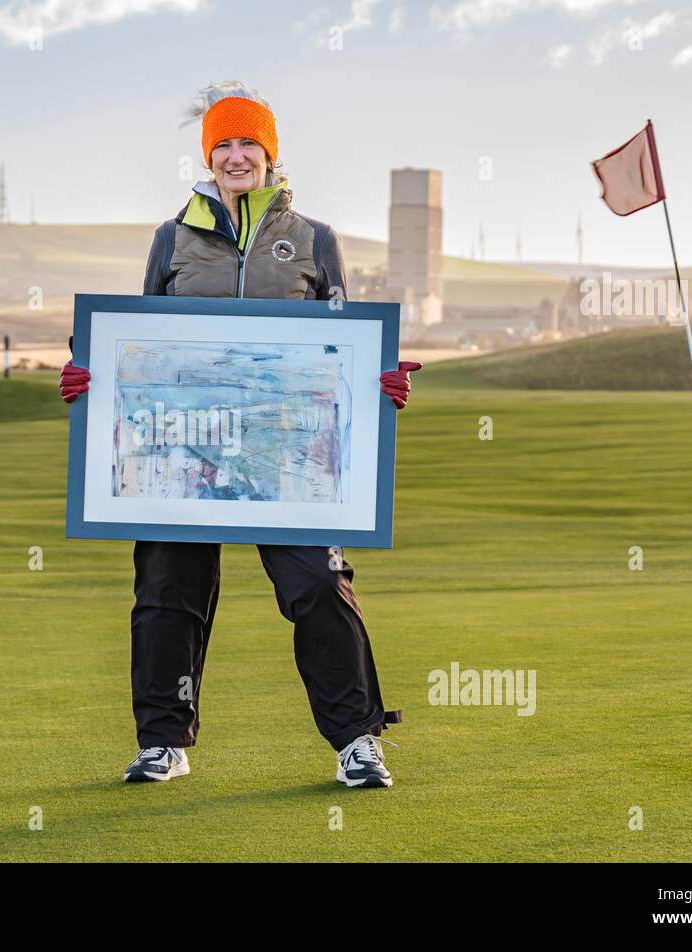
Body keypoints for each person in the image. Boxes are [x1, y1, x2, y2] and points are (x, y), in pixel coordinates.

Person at [60, 80, 422, 788]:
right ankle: (163, 741)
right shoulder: (173, 237)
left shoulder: (314, 238)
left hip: (288, 459)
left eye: (248, 143)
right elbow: (140, 341)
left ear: (270, 154)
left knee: (320, 584)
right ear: (208, 155)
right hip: (182, 451)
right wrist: (91, 374)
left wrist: (379, 381)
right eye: (222, 143)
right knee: (167, 591)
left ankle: (357, 741)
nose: (235, 155)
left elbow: (345, 340)